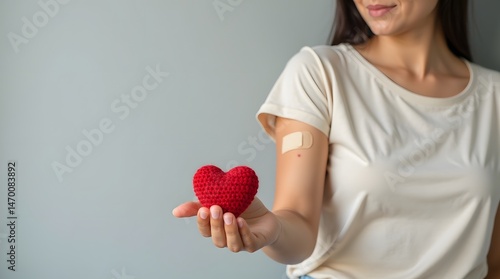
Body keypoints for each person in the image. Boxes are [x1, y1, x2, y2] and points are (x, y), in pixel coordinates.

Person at [173, 0, 500, 278]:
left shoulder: (494, 98)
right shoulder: (318, 74)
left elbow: (493, 260)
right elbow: (298, 229)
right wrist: (271, 229)